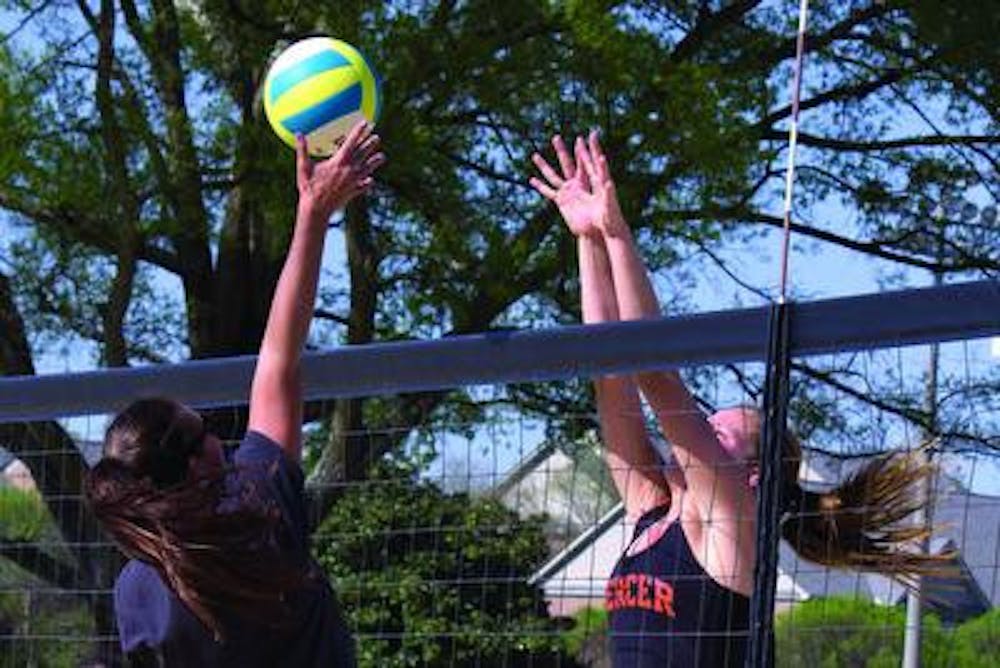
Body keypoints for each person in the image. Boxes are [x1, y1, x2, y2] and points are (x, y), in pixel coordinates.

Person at [530, 131, 948, 667]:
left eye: (720, 433)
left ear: (751, 475)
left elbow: (654, 373)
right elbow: (610, 375)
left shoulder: (726, 523)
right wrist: (586, 239)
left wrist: (618, 234)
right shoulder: (649, 514)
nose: (702, 429)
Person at [84, 120, 384, 667]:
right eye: (209, 432)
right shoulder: (258, 505)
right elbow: (278, 363)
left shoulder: (136, 591)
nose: (224, 439)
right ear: (197, 461)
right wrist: (313, 217)